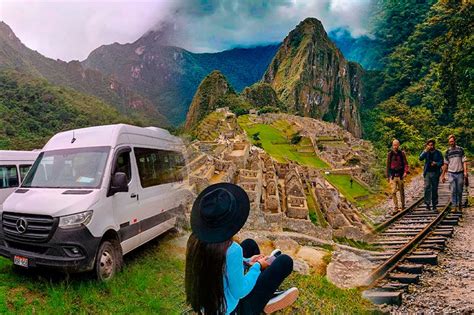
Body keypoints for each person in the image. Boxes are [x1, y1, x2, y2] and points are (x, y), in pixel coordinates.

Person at [185, 183, 298, 315]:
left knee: (249, 245)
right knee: (284, 262)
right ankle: (264, 300)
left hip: (210, 305)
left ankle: (264, 292)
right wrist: (257, 266)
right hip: (234, 310)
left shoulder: (195, 242)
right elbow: (239, 291)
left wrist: (246, 261)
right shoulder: (232, 250)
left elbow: (219, 264)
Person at [441, 135, 468, 211]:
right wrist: (443, 175)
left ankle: (459, 203)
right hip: (451, 173)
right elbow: (445, 164)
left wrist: (465, 172)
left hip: (460, 172)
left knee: (459, 190)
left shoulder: (460, 150)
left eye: (452, 141)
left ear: (455, 141)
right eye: (450, 142)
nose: (451, 143)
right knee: (453, 190)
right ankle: (454, 206)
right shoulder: (447, 152)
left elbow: (464, 161)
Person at [419, 139, 443, 211]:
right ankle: (427, 204)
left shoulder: (438, 153)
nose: (430, 146)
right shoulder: (426, 152)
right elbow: (420, 158)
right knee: (427, 187)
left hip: (435, 172)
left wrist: (436, 163)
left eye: (432, 145)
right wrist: (425, 151)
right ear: (427, 145)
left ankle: (434, 205)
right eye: (429, 145)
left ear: (434, 145)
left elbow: (441, 161)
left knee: (434, 189)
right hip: (427, 173)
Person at [386, 139, 409, 213]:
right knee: (393, 192)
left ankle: (402, 206)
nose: (395, 146)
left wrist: (405, 172)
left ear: (398, 145)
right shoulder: (390, 154)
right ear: (392, 145)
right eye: (394, 145)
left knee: (401, 191)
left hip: (400, 175)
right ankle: (396, 207)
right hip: (393, 176)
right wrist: (388, 176)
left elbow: (406, 164)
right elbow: (388, 166)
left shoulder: (402, 154)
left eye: (396, 145)